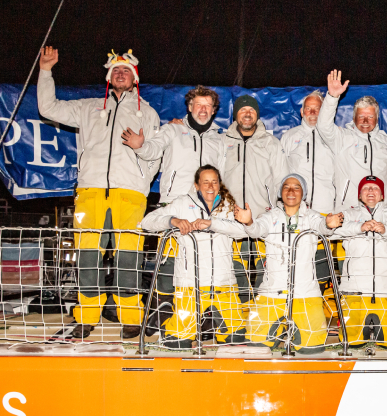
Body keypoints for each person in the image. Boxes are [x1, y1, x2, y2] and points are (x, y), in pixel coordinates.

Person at [37, 47, 161, 340]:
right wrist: (45, 71)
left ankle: (131, 318)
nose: (121, 74)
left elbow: (155, 153)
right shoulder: (89, 107)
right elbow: (48, 108)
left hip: (130, 194)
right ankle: (86, 317)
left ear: (134, 78)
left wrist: (141, 183)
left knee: (129, 259)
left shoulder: (147, 113)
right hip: (90, 193)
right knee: (87, 258)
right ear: (109, 76)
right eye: (116, 70)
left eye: (126, 71)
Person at [122, 85, 224, 327]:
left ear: (213, 110)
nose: (202, 110)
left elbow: (223, 173)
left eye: (208, 106)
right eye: (198, 105)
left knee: (204, 262)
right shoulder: (172, 129)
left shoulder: (220, 139)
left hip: (206, 209)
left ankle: (202, 315)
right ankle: (163, 309)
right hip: (174, 204)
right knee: (168, 261)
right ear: (189, 107)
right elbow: (152, 150)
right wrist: (140, 146)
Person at [205, 174, 341, 353]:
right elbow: (256, 230)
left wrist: (329, 224)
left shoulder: (312, 217)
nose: (291, 191)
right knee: (257, 344)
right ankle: (279, 331)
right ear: (280, 193)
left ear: (303, 194)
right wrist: (248, 222)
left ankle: (295, 331)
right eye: (286, 187)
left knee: (311, 349)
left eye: (297, 187)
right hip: (271, 294)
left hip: (305, 294)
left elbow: (323, 227)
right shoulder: (269, 216)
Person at [139, 165, 247, 348]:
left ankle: (214, 327)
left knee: (236, 338)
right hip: (190, 283)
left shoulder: (229, 206)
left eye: (214, 182)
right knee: (177, 341)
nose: (210, 186)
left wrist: (212, 223)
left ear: (219, 184)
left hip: (224, 283)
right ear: (196, 185)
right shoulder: (181, 203)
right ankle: (164, 323)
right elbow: (146, 222)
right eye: (205, 182)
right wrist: (172, 221)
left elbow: (243, 231)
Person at [221, 94, 288, 300]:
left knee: (266, 267)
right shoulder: (222, 141)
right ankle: (240, 308)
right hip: (231, 216)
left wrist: (279, 210)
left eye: (251, 110)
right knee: (234, 267)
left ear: (257, 115)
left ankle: (262, 307)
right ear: (235, 115)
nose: (247, 113)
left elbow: (282, 179)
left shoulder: (271, 143)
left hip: (262, 216)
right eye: (242, 110)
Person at [334, 175, 387, 347]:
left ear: (382, 195)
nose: (370, 191)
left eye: (375, 188)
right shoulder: (348, 214)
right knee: (352, 343)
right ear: (359, 195)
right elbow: (331, 231)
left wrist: (386, 230)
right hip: (355, 290)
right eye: (366, 188)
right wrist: (359, 227)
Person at [319, 70, 387, 208]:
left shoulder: (385, 141)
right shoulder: (342, 138)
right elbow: (323, 126)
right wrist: (332, 97)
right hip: (349, 211)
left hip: (381, 212)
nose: (365, 121)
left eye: (370, 117)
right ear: (353, 118)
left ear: (377, 119)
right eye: (361, 116)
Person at [280, 90, 337, 213]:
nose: (312, 112)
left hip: (326, 207)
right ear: (302, 112)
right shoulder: (289, 137)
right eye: (308, 108)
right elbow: (280, 172)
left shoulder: (334, 136)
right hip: (297, 208)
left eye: (317, 108)